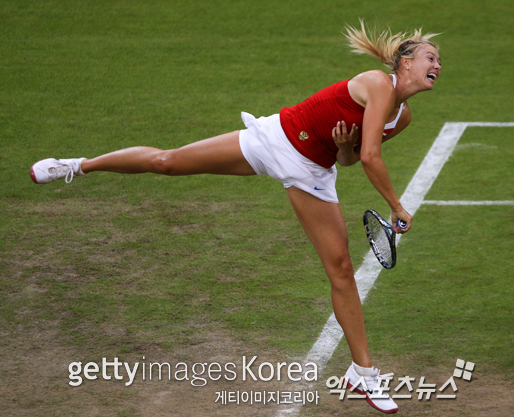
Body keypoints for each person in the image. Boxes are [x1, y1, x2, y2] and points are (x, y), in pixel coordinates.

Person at [30, 21, 441, 414]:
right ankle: (79, 165)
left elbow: (353, 158)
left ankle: (363, 373)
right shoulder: (375, 82)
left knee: (341, 270)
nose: (436, 65)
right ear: (405, 62)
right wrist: (397, 206)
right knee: (167, 162)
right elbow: (371, 158)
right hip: (277, 138)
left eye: (439, 61)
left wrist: (343, 145)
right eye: (429, 57)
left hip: (312, 171)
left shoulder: (401, 118)